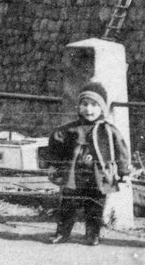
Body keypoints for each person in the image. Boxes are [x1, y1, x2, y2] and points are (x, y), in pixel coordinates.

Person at [44, 81, 131, 246]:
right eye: (84, 104)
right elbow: (55, 143)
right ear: (79, 106)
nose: (88, 109)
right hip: (74, 174)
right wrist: (53, 164)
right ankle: (62, 233)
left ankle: (93, 235)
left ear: (102, 108)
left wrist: (124, 172)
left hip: (98, 174)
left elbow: (121, 151)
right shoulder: (69, 129)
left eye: (94, 105)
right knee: (68, 203)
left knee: (95, 205)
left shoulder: (108, 130)